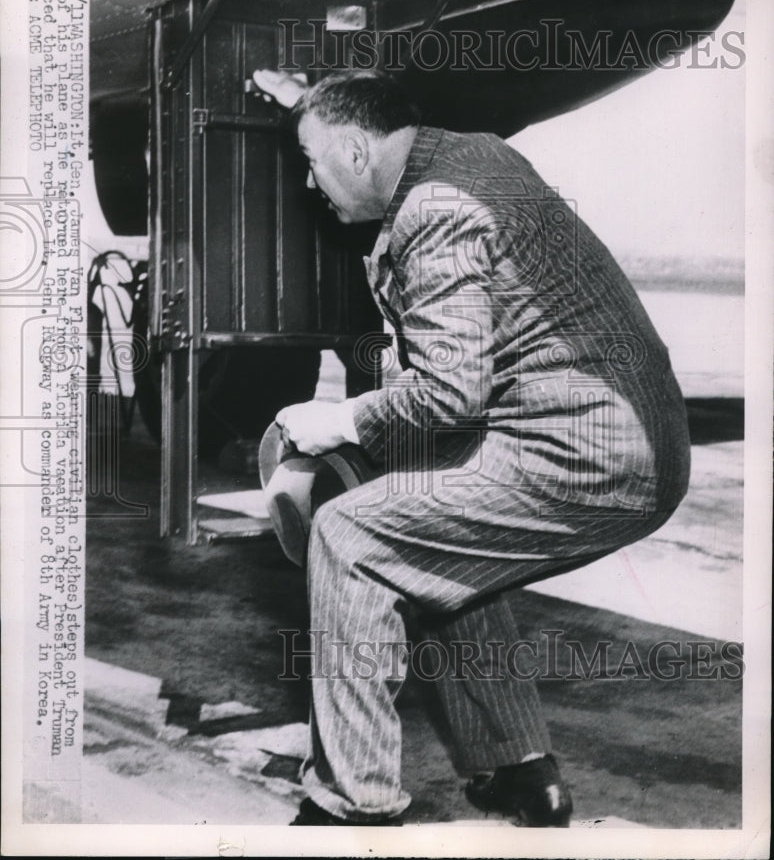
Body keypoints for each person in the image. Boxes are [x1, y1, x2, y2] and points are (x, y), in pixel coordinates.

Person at [251, 68, 692, 827]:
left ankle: (352, 807)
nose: (310, 182)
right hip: (633, 446)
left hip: (577, 456)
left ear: (356, 152)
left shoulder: (434, 211)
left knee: (351, 534)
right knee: (430, 548)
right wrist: (310, 109)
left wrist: (343, 419)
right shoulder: (476, 158)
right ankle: (522, 776)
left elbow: (451, 394)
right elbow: (357, 130)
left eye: (312, 160)